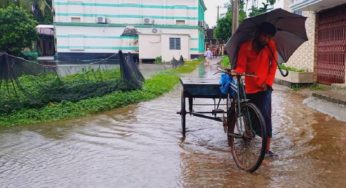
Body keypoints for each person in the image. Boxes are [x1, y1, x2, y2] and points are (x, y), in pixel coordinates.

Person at [232, 22, 278, 157]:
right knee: (251, 116)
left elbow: (273, 65)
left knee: (266, 117)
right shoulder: (245, 47)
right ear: (258, 34)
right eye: (264, 36)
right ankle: (250, 132)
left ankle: (266, 150)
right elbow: (241, 67)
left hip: (265, 88)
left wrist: (269, 83)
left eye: (269, 37)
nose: (267, 39)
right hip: (251, 87)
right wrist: (237, 72)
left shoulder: (270, 45)